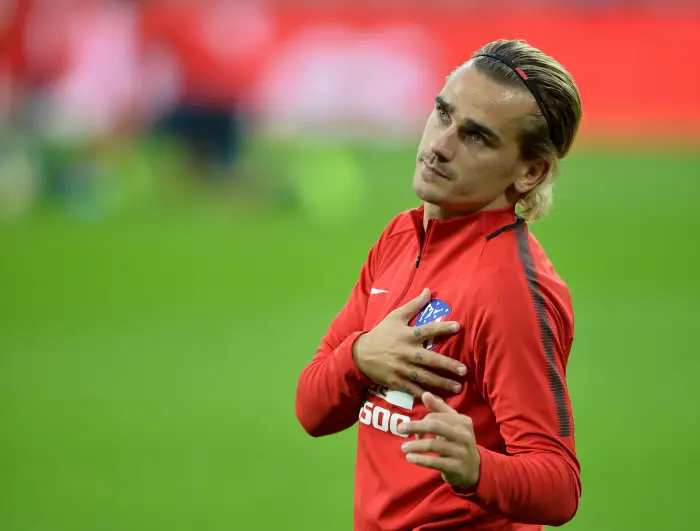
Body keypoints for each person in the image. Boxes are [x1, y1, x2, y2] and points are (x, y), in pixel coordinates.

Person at [295, 39, 583, 531]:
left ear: (530, 172)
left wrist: (477, 470)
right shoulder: (400, 237)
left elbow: (558, 486)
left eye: (477, 137)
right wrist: (361, 357)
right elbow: (312, 409)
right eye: (442, 113)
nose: (439, 145)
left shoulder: (512, 289)